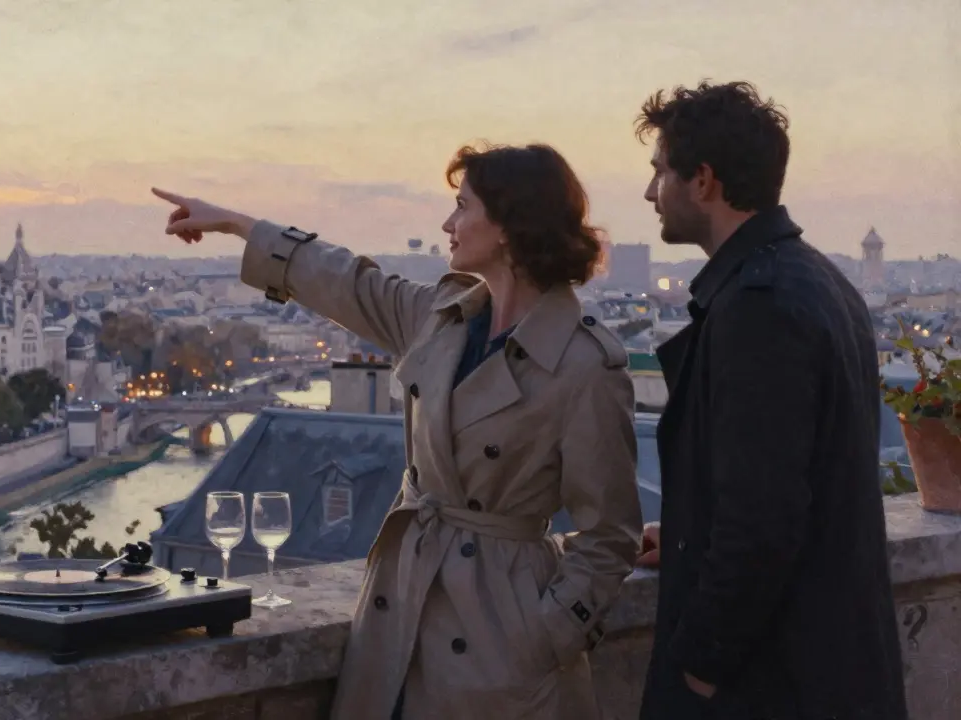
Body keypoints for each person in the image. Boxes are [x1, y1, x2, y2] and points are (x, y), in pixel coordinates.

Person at [152, 142, 642, 720]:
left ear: (508, 226)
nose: (447, 223)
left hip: (503, 640)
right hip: (401, 607)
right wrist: (238, 224)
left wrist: (547, 636)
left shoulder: (585, 365)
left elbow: (609, 535)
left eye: (462, 207)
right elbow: (346, 282)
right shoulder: (442, 316)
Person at [634, 80, 907, 719]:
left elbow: (764, 518)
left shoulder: (758, 307)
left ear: (702, 179)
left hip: (772, 683)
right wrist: (691, 533)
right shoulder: (818, 279)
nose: (651, 194)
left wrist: (699, 668)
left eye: (659, 172)